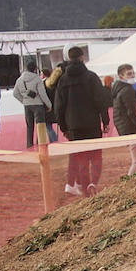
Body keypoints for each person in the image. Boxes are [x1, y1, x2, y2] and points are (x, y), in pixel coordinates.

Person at [53, 46, 111, 196]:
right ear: (82, 57)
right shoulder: (91, 77)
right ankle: (94, 182)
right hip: (92, 123)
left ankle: (85, 189)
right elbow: (100, 101)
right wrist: (105, 121)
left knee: (81, 159)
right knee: (96, 156)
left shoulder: (63, 80)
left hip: (73, 127)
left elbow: (59, 106)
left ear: (68, 59)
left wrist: (64, 127)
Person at [111, 63, 136, 175]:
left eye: (133, 73)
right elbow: (132, 112)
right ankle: (130, 181)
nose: (132, 76)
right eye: (129, 74)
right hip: (132, 129)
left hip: (125, 128)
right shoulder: (127, 90)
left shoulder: (119, 90)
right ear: (121, 76)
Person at [13, 59, 54, 147]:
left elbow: (15, 93)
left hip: (27, 106)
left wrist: (23, 101)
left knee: (29, 126)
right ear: (35, 69)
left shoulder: (20, 80)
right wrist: (49, 105)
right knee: (41, 126)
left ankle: (29, 145)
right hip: (38, 105)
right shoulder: (37, 79)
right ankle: (41, 145)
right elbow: (42, 94)